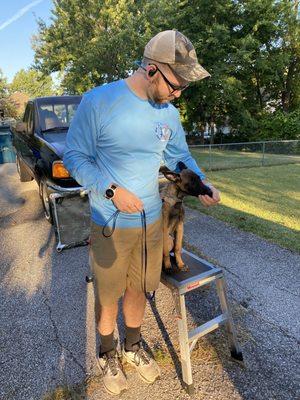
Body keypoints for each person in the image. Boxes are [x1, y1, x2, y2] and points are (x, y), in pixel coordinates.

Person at [63, 29, 220, 396]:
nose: (178, 93)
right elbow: (73, 157)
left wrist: (204, 183)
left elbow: (180, 158)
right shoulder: (99, 102)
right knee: (109, 294)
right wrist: (112, 190)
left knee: (139, 289)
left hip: (152, 223)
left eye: (182, 87)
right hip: (111, 224)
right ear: (151, 70)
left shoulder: (169, 114)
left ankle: (132, 346)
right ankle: (108, 354)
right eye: (174, 85)